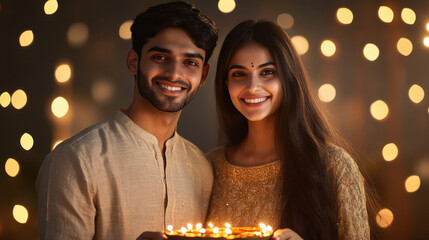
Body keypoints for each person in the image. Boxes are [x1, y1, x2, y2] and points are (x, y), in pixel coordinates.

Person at [36, 1, 218, 239]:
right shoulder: (76, 160)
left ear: (203, 74)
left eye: (190, 62)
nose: (174, 73)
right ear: (133, 62)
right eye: (161, 57)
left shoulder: (202, 168)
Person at [205, 20, 372, 240]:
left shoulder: (333, 167)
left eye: (267, 72)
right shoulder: (212, 166)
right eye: (239, 74)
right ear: (225, 82)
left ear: (289, 78)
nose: (252, 87)